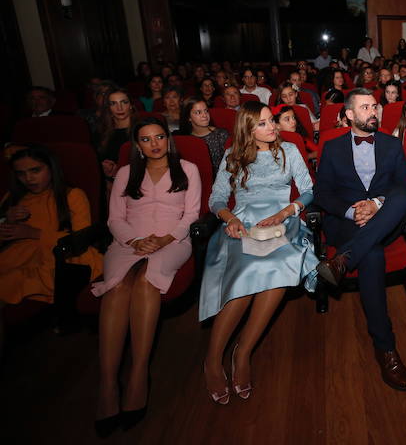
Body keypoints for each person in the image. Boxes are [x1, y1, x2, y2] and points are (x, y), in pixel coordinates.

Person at [200, 101, 318, 404]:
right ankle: (213, 360)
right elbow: (217, 198)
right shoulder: (233, 155)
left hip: (280, 222)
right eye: (264, 123)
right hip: (242, 224)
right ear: (248, 129)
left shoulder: (289, 151)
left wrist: (286, 212)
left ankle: (243, 351)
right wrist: (230, 219)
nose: (273, 127)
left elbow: (308, 190)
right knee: (245, 273)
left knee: (279, 269)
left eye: (272, 121)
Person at [92, 119, 200, 435]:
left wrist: (165, 239)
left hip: (173, 241)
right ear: (137, 145)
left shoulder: (187, 169)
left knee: (144, 282)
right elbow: (114, 219)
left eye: (159, 137)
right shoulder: (126, 173)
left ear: (168, 139)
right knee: (117, 287)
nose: (154, 144)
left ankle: (139, 373)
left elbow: (191, 215)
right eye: (146, 139)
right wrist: (135, 241)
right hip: (128, 241)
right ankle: (109, 384)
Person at [314, 88, 406, 390]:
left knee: (400, 197)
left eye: (375, 106)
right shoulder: (332, 148)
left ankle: (343, 260)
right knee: (371, 253)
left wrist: (377, 205)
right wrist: (351, 212)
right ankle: (386, 348)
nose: (374, 111)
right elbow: (322, 194)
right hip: (348, 223)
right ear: (348, 115)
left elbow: (405, 187)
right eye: (366, 107)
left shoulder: (392, 144)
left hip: (387, 218)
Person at [0, 145, 101, 307]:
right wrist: (7, 221)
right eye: (21, 174)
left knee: (14, 280)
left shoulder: (72, 195)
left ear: (51, 168)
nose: (28, 178)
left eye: (35, 171)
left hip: (57, 256)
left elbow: (81, 239)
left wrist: (33, 233)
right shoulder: (13, 197)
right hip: (18, 256)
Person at [95, 90, 138, 183]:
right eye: (113, 104)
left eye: (124, 102)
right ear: (109, 108)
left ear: (130, 105)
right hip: (110, 182)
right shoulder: (102, 131)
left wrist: (119, 170)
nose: (119, 108)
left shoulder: (141, 130)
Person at [179, 98, 229, 172]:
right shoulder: (185, 139)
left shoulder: (221, 135)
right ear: (189, 117)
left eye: (206, 111)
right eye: (198, 112)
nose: (205, 115)